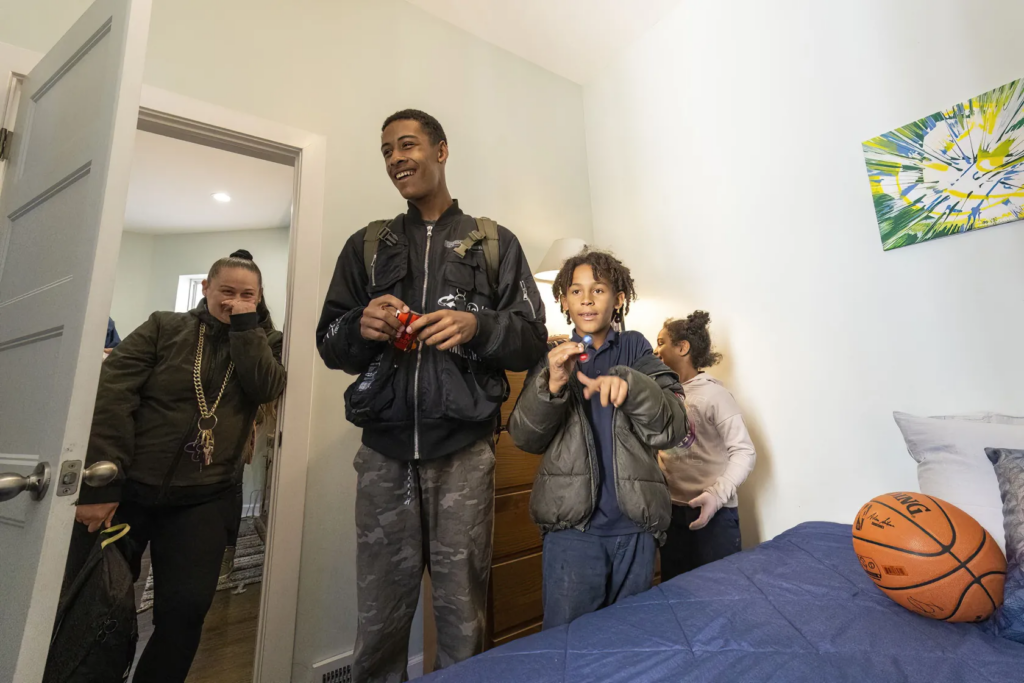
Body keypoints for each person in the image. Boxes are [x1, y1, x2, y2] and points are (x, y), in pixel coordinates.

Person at [316, 109, 547, 680]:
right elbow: (328, 341)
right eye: (387, 150)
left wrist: (479, 327)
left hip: (464, 458)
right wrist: (357, 328)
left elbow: (532, 338)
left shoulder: (495, 243)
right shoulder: (366, 246)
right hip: (383, 457)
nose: (396, 158)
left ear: (441, 151)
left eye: (408, 145)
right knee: (380, 623)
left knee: (463, 616)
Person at [73, 249, 286, 683]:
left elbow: (266, 386)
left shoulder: (268, 341)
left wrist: (248, 327)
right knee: (96, 602)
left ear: (260, 298)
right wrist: (101, 484)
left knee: (185, 612)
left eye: (248, 294)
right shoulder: (163, 327)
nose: (235, 300)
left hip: (204, 500)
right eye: (227, 291)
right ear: (206, 288)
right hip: (129, 491)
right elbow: (112, 396)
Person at [507, 249, 688, 629]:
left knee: (630, 643)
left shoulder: (637, 349)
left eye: (599, 289)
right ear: (564, 300)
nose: (587, 299)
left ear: (618, 299)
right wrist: (553, 383)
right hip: (572, 534)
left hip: (635, 528)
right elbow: (524, 437)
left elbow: (673, 427)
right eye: (576, 291)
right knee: (568, 647)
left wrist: (630, 386)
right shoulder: (551, 358)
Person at [654, 311, 756, 580]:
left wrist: (716, 495)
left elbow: (744, 451)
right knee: (676, 598)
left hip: (716, 517)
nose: (656, 350)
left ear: (682, 347)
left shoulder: (715, 395)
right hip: (672, 516)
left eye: (661, 342)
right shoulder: (659, 397)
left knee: (719, 595)